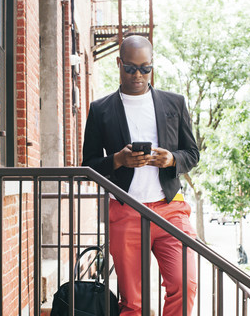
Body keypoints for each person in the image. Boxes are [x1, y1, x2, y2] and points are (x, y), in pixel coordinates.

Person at [82, 35, 200, 316]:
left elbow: (192, 154)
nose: (138, 75)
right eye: (131, 68)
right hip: (125, 210)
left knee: (185, 285)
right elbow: (88, 165)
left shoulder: (175, 104)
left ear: (152, 66)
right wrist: (119, 160)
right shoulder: (101, 110)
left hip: (171, 209)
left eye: (145, 68)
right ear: (119, 63)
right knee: (133, 302)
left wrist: (172, 158)